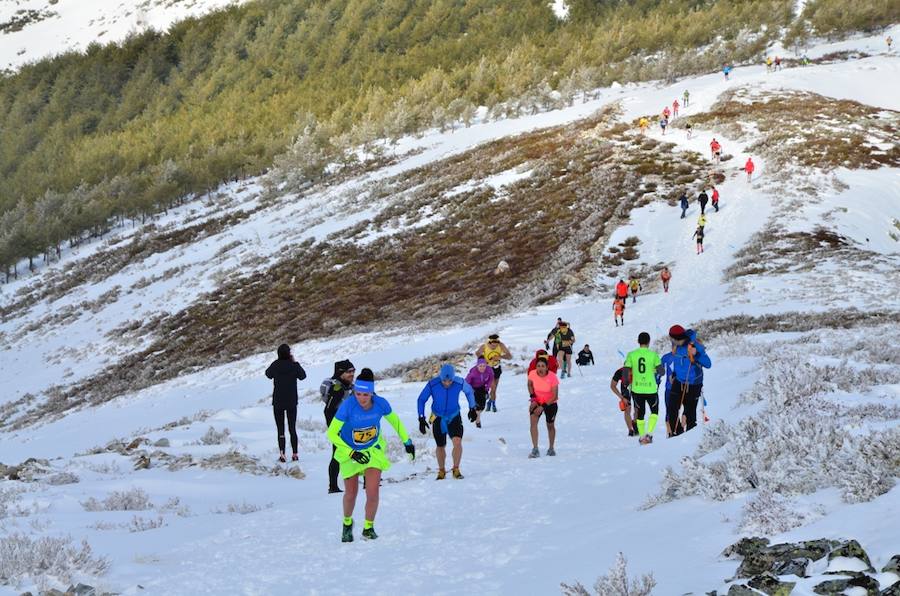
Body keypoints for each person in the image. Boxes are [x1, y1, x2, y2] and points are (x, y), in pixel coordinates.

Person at [327, 368, 415, 542]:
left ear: (372, 393)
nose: (361, 398)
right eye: (358, 394)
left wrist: (408, 442)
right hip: (349, 451)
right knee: (351, 493)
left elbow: (396, 423)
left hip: (372, 450)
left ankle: (368, 528)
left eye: (365, 395)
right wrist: (351, 452)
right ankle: (347, 523)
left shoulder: (381, 404)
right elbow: (331, 433)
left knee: (373, 493)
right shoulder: (348, 406)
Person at [418, 364, 476, 480]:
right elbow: (421, 399)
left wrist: (472, 408)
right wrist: (421, 418)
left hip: (454, 416)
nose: (447, 383)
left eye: (450, 381)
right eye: (445, 380)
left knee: (457, 442)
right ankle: (441, 471)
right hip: (438, 418)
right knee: (440, 445)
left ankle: (456, 469)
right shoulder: (432, 384)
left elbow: (469, 391)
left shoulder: (459, 382)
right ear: (441, 377)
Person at [265, 344, 307, 463]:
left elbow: (268, 374)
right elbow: (303, 376)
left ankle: (282, 454)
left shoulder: (275, 365)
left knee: (280, 429)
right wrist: (293, 362)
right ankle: (295, 454)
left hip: (278, 401)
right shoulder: (294, 365)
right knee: (292, 428)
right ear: (289, 353)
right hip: (292, 401)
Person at [666, 325, 712, 436]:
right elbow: (679, 362)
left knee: (690, 414)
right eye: (674, 340)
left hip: (694, 384)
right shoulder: (675, 345)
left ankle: (690, 439)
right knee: (672, 409)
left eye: (679, 340)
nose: (677, 342)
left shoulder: (694, 345)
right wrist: (674, 373)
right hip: (678, 381)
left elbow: (708, 364)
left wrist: (697, 354)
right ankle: (675, 435)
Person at [321, 359, 356, 493]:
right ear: (340, 373)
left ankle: (366, 480)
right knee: (338, 453)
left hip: (351, 424)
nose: (352, 374)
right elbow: (328, 410)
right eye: (349, 372)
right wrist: (334, 429)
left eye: (353, 371)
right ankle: (333, 487)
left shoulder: (349, 386)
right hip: (338, 426)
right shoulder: (336, 388)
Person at [624, 332, 664, 444]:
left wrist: (626, 383)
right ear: (649, 342)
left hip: (637, 389)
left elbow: (626, 370)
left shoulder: (631, 354)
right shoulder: (653, 355)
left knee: (640, 414)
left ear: (638, 341)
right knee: (654, 412)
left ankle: (642, 437)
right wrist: (653, 370)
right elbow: (662, 371)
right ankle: (649, 434)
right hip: (651, 389)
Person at [527, 355, 560, 457]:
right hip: (537, 401)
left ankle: (551, 448)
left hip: (550, 403)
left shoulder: (552, 377)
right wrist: (533, 399)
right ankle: (535, 449)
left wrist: (543, 407)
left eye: (542, 366)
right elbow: (529, 384)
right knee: (533, 423)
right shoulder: (532, 374)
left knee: (550, 426)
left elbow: (555, 396)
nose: (540, 368)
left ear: (547, 367)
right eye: (538, 366)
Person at [475, 333, 511, 412]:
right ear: (490, 342)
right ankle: (492, 404)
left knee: (494, 390)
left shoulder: (501, 345)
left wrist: (500, 357)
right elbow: (477, 353)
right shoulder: (484, 346)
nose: (495, 346)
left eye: (496, 344)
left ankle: (491, 402)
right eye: (493, 345)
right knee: (493, 387)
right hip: (488, 369)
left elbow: (509, 356)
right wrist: (483, 360)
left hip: (497, 368)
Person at [465, 358, 494, 429]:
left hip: (482, 387)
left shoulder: (489, 370)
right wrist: (468, 390)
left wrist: (487, 387)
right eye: (480, 366)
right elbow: (466, 381)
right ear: (477, 366)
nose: (482, 367)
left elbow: (491, 378)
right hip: (473, 388)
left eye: (484, 366)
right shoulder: (473, 372)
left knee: (482, 406)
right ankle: (478, 421)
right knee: (478, 406)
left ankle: (474, 411)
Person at [609, 365, 637, 436]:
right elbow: (612, 386)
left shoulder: (637, 370)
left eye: (631, 371)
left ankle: (634, 422)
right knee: (627, 408)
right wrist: (621, 397)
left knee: (638, 409)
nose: (629, 373)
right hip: (625, 387)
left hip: (636, 386)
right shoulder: (619, 372)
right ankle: (630, 430)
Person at [660, 345, 678, 436]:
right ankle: (669, 432)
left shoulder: (684, 357)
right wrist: (657, 379)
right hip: (669, 389)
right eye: (674, 347)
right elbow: (659, 371)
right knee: (669, 410)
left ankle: (679, 430)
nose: (676, 349)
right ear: (672, 347)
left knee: (679, 410)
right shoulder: (666, 357)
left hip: (682, 388)